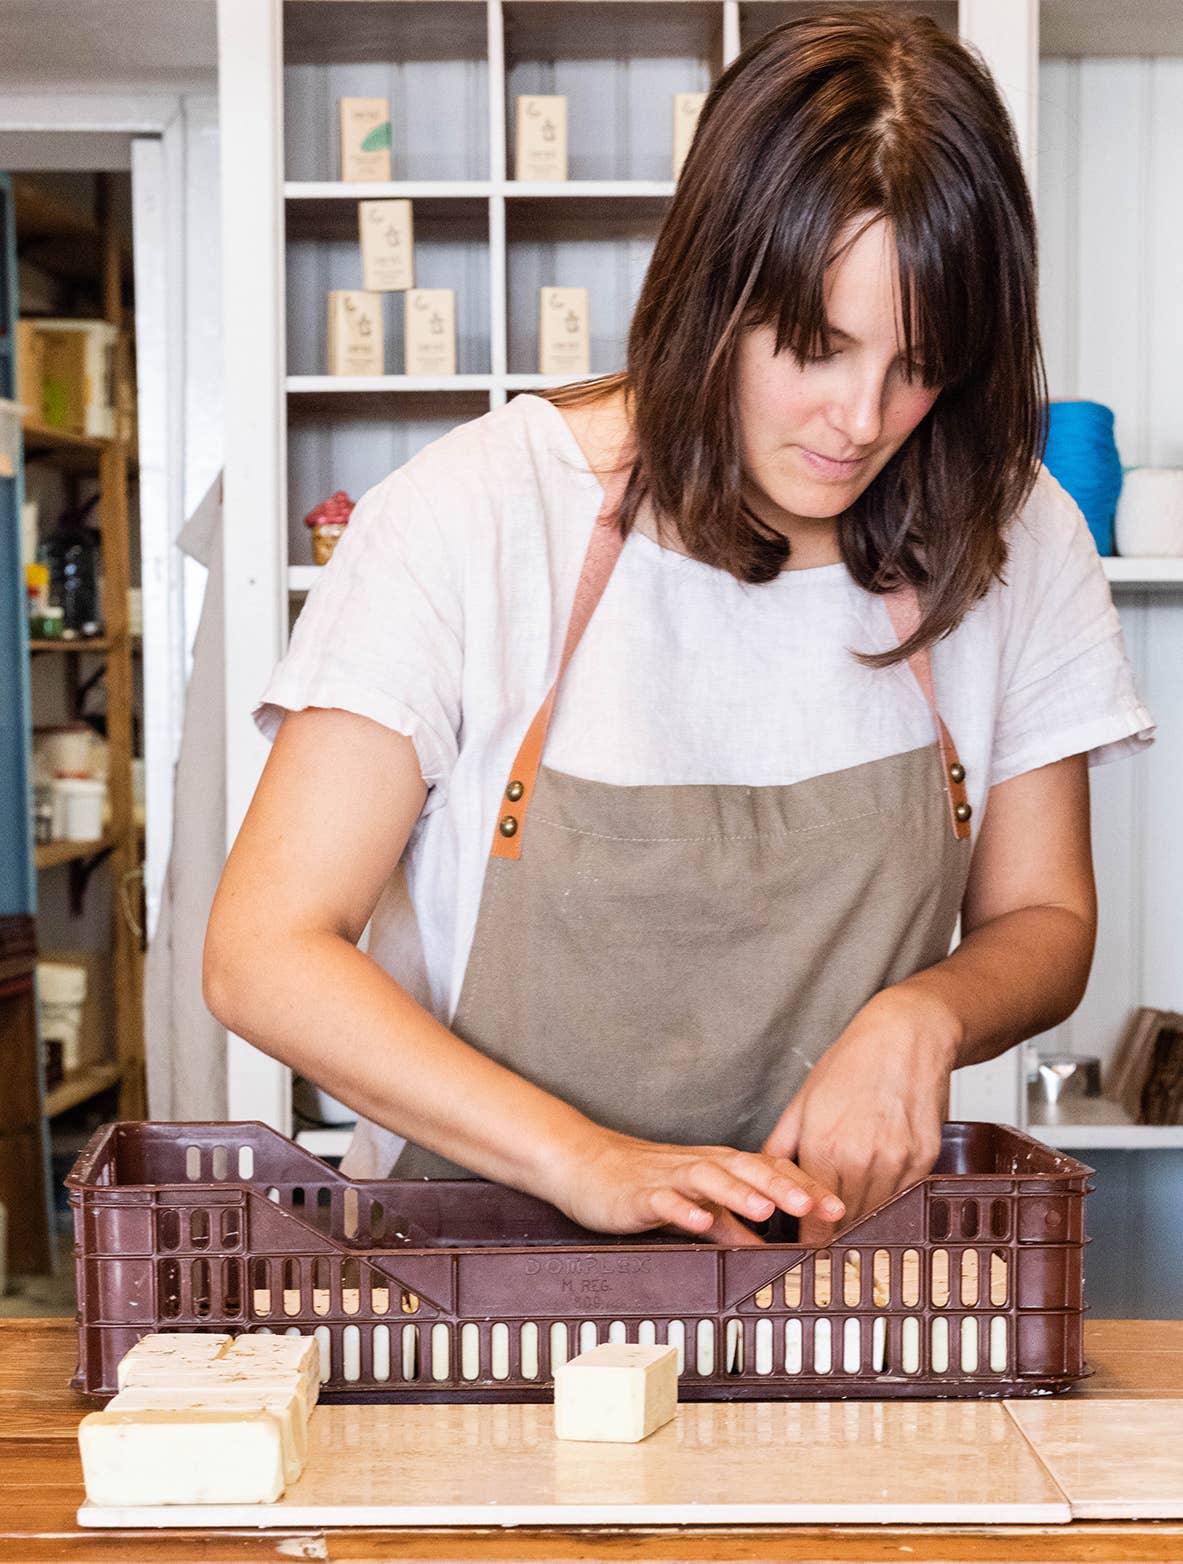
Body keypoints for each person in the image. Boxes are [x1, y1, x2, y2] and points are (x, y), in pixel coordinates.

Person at [204, 5, 1154, 1249]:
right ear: (712, 285)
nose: (858, 421)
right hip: (468, 1292)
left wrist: (920, 1014)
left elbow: (1046, 918)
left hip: (838, 1289)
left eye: (918, 365)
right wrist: (587, 1160)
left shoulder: (1013, 532)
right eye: (813, 347)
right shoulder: (479, 515)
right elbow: (264, 948)